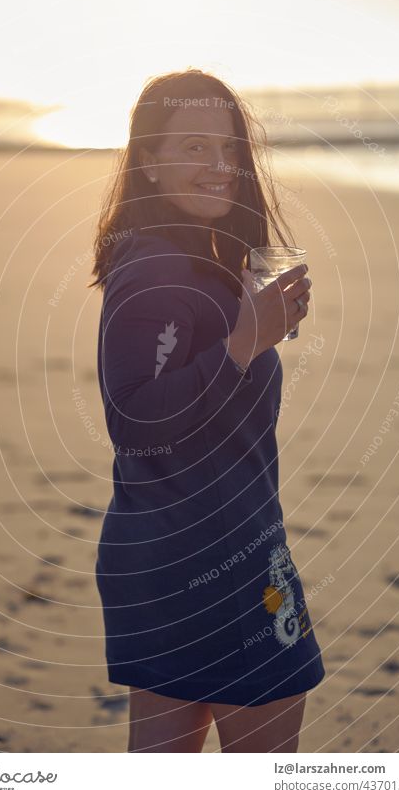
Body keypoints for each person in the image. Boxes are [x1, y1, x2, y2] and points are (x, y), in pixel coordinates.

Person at [88, 69, 324, 752]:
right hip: (215, 559)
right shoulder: (155, 269)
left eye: (226, 149)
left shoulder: (188, 261)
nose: (218, 165)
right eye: (191, 147)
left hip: (163, 555)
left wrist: (250, 332)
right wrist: (245, 341)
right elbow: (133, 423)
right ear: (150, 161)